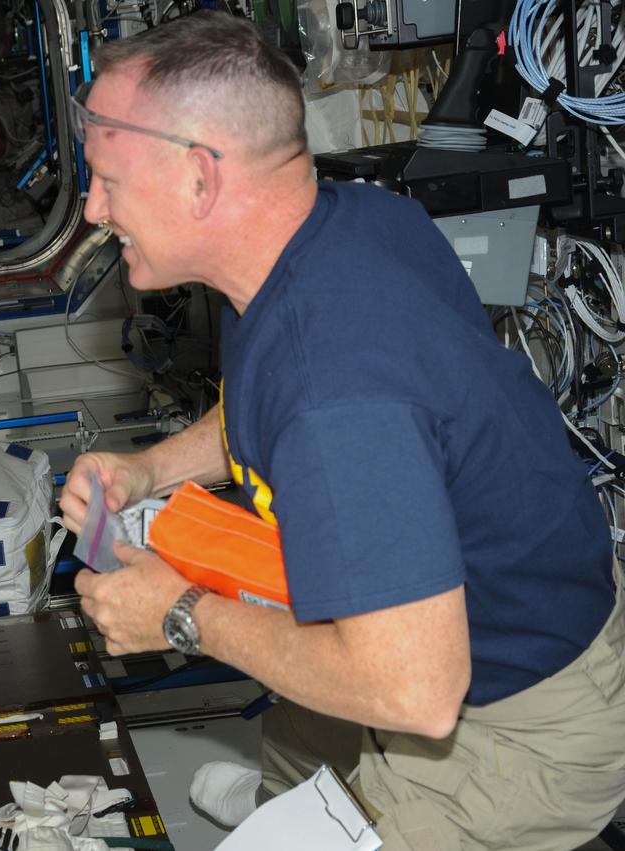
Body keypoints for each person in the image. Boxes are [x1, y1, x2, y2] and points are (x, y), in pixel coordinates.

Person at [59, 12, 625, 850]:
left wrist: (181, 614)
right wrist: (148, 472)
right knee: (293, 742)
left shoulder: (338, 389)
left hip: (510, 726)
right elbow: (263, 401)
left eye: (107, 179)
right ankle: (282, 808)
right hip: (451, 640)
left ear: (199, 179)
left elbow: (415, 693)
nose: (93, 209)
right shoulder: (341, 225)